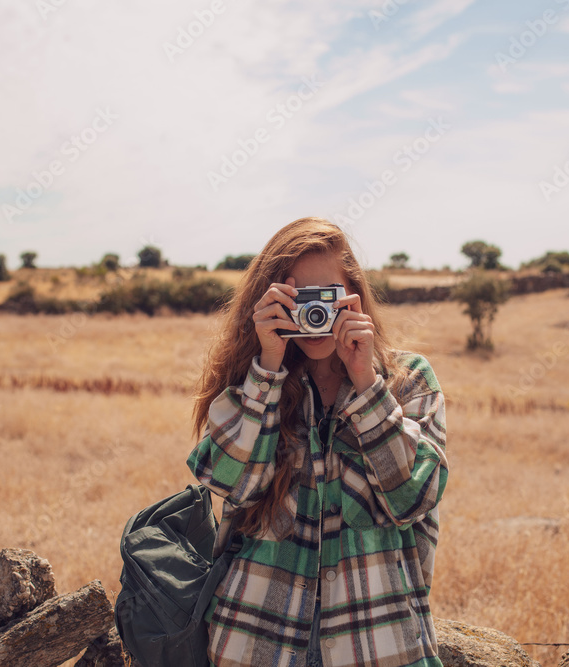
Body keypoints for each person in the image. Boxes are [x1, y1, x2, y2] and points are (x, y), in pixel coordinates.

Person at [187, 217, 448, 667]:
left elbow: (411, 497)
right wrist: (267, 369)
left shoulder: (408, 381)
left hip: (378, 645)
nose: (315, 315)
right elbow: (236, 483)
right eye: (297, 300)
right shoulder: (250, 384)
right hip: (255, 641)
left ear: (355, 296)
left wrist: (366, 383)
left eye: (325, 298)